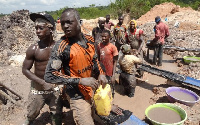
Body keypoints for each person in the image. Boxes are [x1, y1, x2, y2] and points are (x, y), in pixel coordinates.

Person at [44, 8, 108, 125]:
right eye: (62, 23)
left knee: (97, 114)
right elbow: (49, 75)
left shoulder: (89, 39)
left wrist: (101, 73)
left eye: (69, 22)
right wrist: (80, 80)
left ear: (79, 22)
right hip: (76, 94)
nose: (65, 26)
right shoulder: (61, 46)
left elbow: (95, 60)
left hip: (92, 87)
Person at [22, 13, 62, 125]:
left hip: (55, 88)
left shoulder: (59, 48)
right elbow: (25, 70)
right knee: (31, 113)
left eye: (40, 28)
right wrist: (42, 83)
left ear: (50, 29)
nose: (37, 31)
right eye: (36, 28)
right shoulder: (33, 49)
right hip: (38, 88)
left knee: (57, 114)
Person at [97, 30, 118, 98]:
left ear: (109, 37)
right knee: (102, 89)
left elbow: (115, 61)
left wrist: (113, 75)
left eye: (105, 36)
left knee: (111, 89)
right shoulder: (99, 46)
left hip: (110, 72)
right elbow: (98, 58)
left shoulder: (113, 47)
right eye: (102, 36)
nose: (103, 38)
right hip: (102, 72)